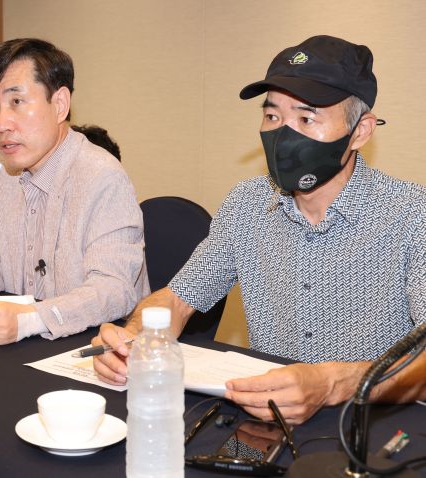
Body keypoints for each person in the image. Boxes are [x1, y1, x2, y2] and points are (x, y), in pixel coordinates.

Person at [93, 35, 426, 424]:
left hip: (374, 426)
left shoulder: (412, 214)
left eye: (306, 119)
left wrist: (335, 383)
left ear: (361, 131)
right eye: (272, 117)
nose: (284, 135)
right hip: (262, 421)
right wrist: (137, 337)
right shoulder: (247, 203)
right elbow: (180, 298)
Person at [0, 38, 148, 345]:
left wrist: (29, 319)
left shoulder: (102, 176)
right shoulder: (10, 173)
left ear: (60, 104)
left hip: (94, 347)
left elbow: (114, 289)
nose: (1, 123)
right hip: (28, 345)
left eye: (16, 102)